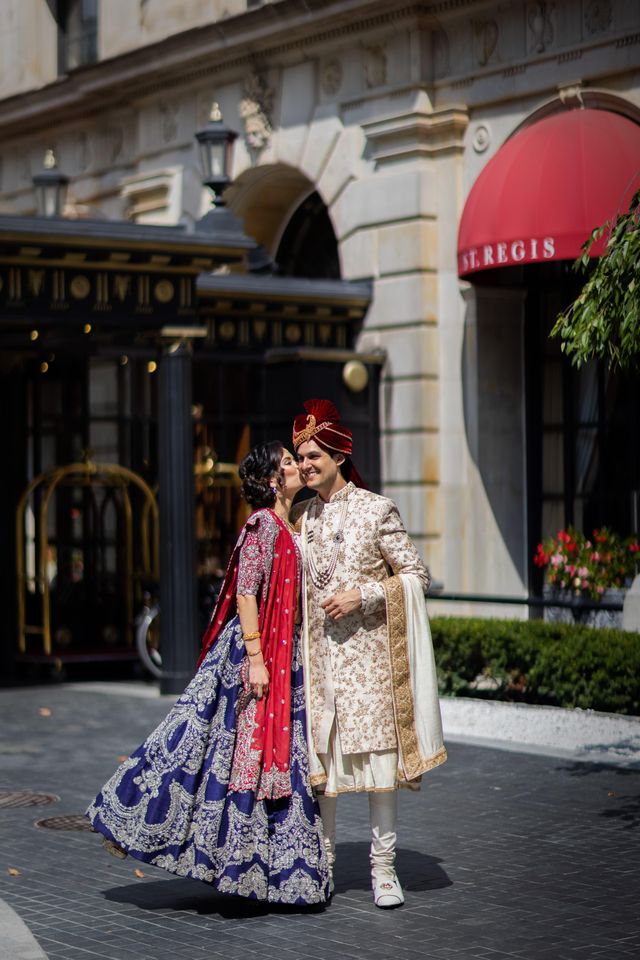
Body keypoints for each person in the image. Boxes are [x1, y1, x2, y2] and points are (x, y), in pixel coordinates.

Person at [86, 442, 330, 906]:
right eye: (288, 463)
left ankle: (251, 867)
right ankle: (132, 819)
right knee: (200, 743)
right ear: (273, 481)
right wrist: (256, 659)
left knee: (235, 755)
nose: (298, 467)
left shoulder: (286, 526)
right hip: (251, 658)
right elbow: (245, 594)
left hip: (278, 658)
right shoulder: (263, 525)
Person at [291, 399, 446, 909]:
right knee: (324, 774)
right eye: (300, 456)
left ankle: (384, 872)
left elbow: (417, 576)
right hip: (321, 668)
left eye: (313, 455)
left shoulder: (376, 509)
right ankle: (324, 867)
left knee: (380, 770)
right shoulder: (303, 519)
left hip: (369, 665)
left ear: (337, 453)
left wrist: (367, 594)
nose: (306, 464)